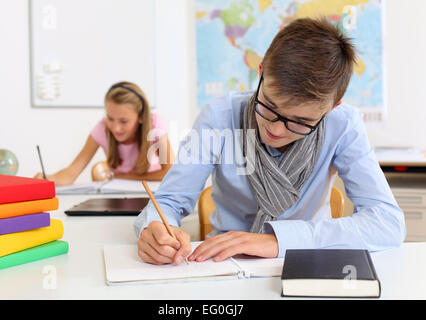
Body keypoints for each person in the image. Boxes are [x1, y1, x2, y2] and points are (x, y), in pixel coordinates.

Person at [134, 18, 406, 265]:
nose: (275, 129)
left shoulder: (343, 125)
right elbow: (168, 201)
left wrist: (278, 241)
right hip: (226, 264)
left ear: (332, 108)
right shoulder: (219, 116)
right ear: (261, 72)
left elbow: (387, 223)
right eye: (269, 106)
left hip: (308, 259)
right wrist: (156, 228)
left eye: (300, 121)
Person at [34, 81, 173, 185]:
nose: (116, 128)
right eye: (110, 118)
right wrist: (48, 179)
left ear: (141, 117)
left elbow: (169, 173)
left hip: (153, 195)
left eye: (124, 121)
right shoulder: (102, 128)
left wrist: (122, 177)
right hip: (118, 197)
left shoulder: (154, 124)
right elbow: (72, 172)